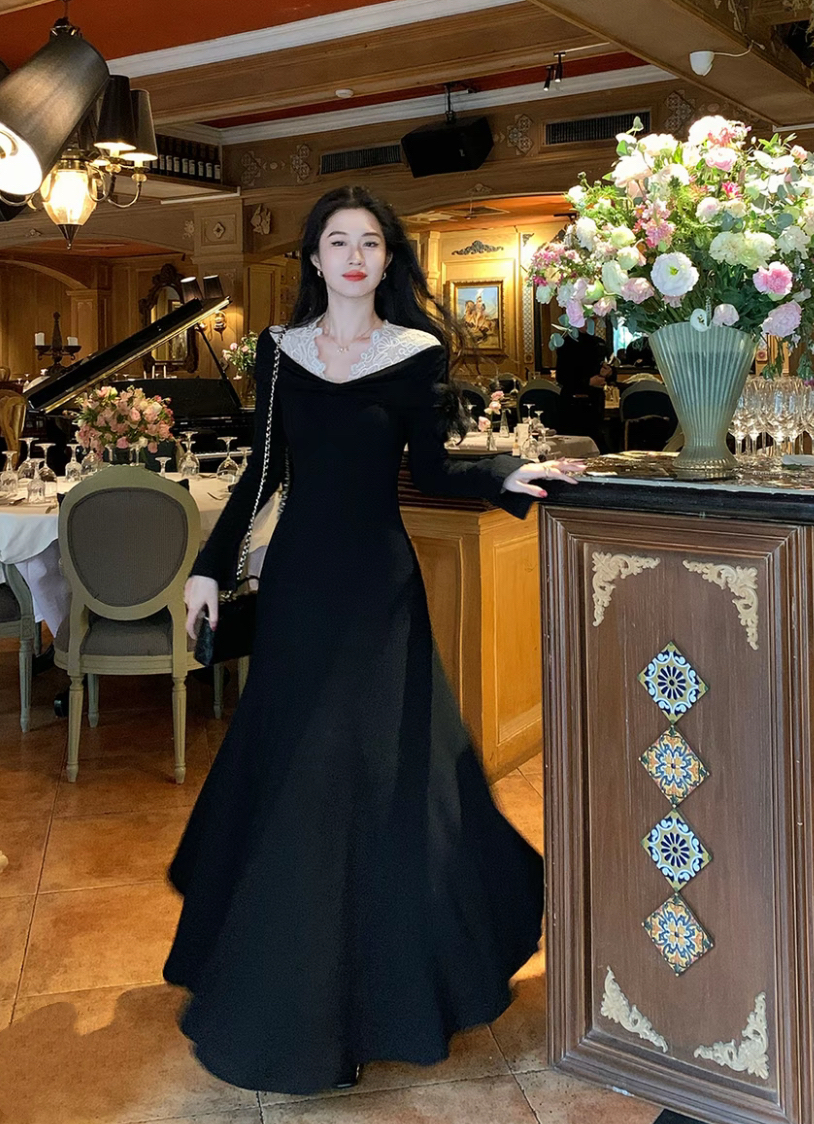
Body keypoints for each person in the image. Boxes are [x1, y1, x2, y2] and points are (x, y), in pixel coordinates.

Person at [163, 185, 586, 1095]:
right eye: (337, 241)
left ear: (388, 260)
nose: (354, 257)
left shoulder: (415, 353)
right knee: (300, 772)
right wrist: (208, 566)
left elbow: (430, 468)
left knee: (377, 776)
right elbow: (262, 473)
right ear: (313, 258)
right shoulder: (278, 352)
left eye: (369, 243)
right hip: (298, 592)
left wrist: (510, 473)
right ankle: (300, 997)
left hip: (380, 594)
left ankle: (376, 994)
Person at [553, 327, 615, 450]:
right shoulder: (566, 343)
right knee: (575, 445)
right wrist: (588, 382)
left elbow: (610, 369)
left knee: (597, 443)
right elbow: (562, 377)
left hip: (596, 402)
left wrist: (609, 372)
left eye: (593, 319)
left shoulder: (599, 343)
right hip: (573, 405)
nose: (589, 323)